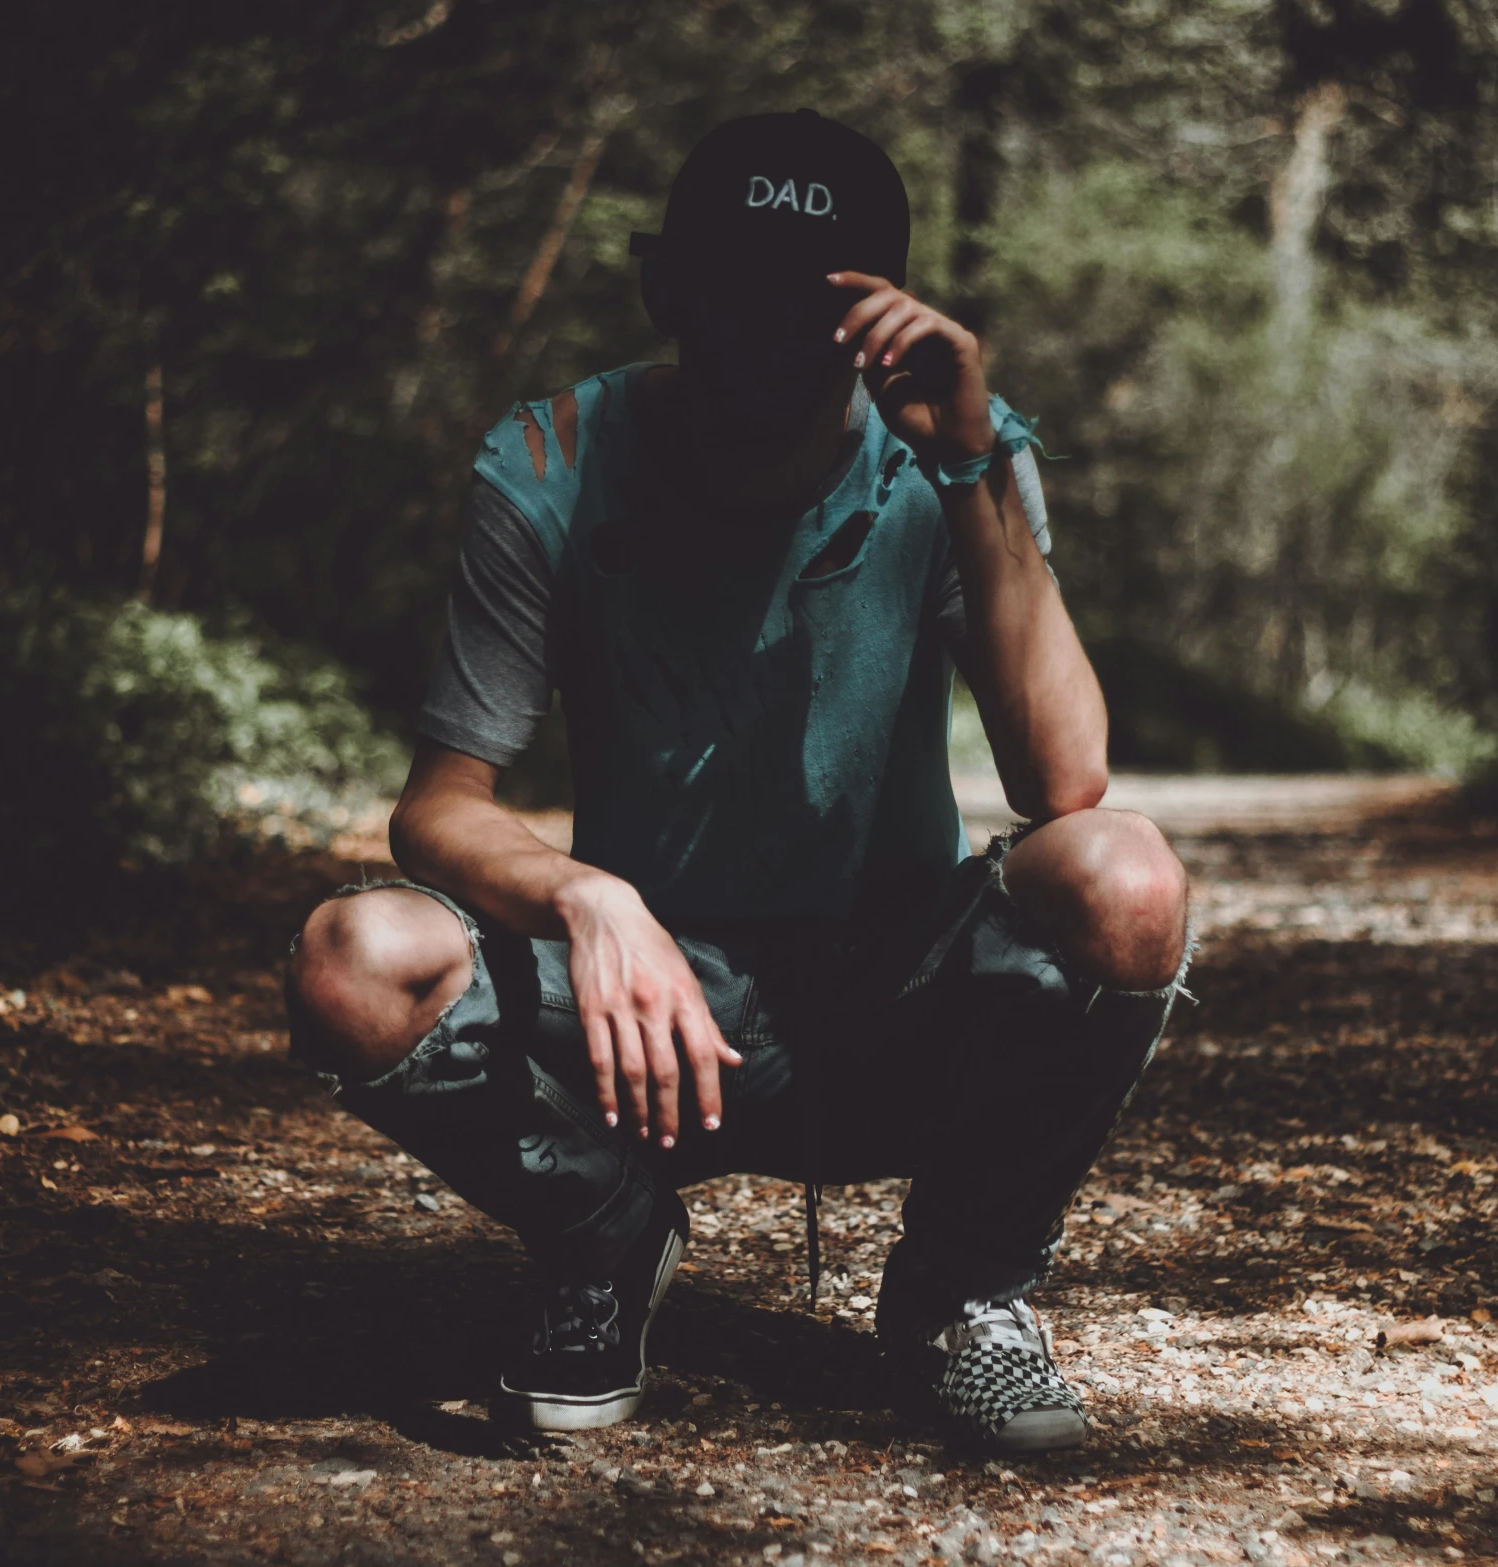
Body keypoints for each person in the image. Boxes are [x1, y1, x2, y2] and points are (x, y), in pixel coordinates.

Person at [286, 110, 1189, 1453]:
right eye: (734, 288)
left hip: (889, 1001)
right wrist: (589, 898)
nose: (770, 332)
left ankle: (963, 1294)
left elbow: (1065, 778)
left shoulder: (951, 458)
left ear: (878, 315)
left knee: (1124, 875)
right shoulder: (550, 461)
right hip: (648, 1023)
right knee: (352, 956)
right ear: (666, 287)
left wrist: (971, 464)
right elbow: (438, 805)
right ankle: (604, 1236)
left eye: (814, 299)